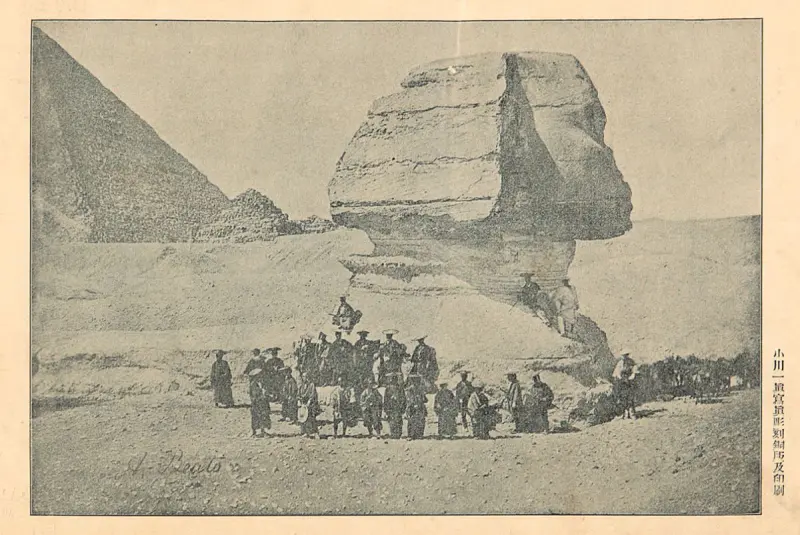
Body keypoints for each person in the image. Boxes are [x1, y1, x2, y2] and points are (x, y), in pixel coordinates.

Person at [243, 349, 270, 437]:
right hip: (256, 400)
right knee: (257, 414)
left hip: (258, 400)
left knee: (260, 414)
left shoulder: (252, 361)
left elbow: (246, 371)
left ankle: (261, 430)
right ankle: (256, 430)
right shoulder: (255, 384)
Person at [612, 352, 638, 419]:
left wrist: (632, 376)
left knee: (630, 397)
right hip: (622, 382)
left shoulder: (631, 362)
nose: (624, 357)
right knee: (623, 398)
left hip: (629, 381)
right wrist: (620, 377)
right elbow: (616, 372)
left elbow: (635, 370)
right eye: (623, 356)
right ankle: (625, 414)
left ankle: (632, 414)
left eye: (625, 355)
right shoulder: (620, 363)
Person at [383, 372, 407, 439]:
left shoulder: (400, 388)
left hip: (397, 407)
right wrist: (386, 408)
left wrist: (402, 406)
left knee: (398, 420)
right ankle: (394, 434)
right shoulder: (388, 389)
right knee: (392, 421)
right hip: (391, 407)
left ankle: (398, 433)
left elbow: (403, 398)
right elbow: (386, 399)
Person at [405, 374, 428, 440]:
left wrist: (422, 399)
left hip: (420, 406)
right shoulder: (410, 389)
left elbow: (425, 399)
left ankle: (419, 434)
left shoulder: (421, 389)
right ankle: (411, 435)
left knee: (420, 421)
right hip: (412, 407)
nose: (417, 382)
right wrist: (413, 404)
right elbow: (409, 398)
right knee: (412, 421)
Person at [298, 371, 321, 438]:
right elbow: (298, 394)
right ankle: (305, 432)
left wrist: (309, 401)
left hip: (310, 404)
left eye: (306, 377)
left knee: (311, 418)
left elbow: (313, 394)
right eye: (303, 377)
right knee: (303, 418)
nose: (305, 378)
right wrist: (299, 400)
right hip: (303, 404)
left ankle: (316, 432)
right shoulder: (301, 386)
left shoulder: (311, 385)